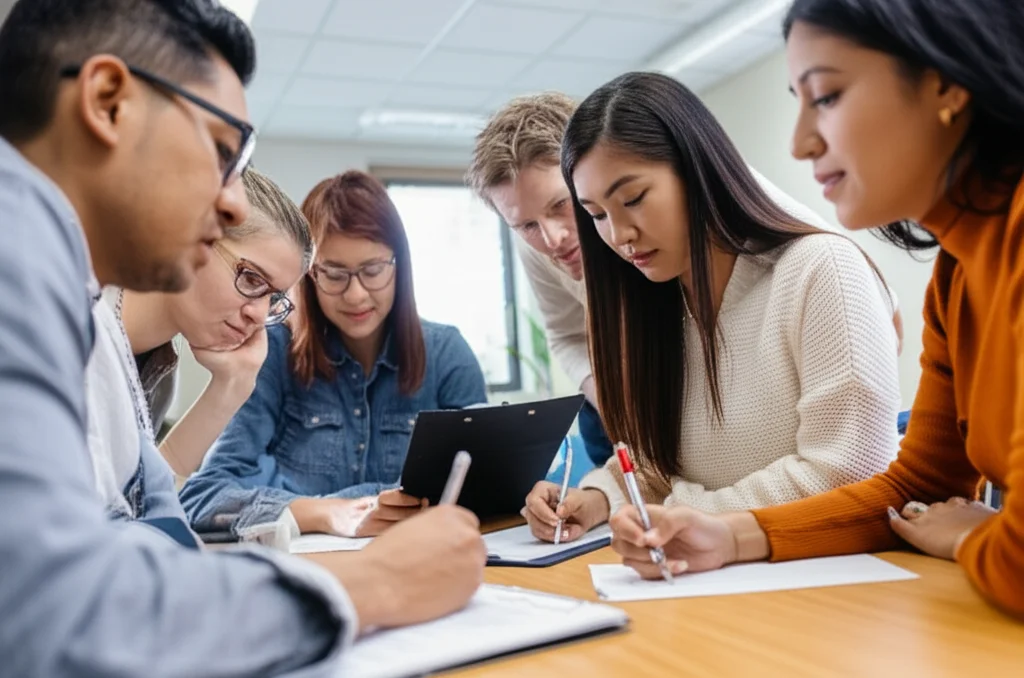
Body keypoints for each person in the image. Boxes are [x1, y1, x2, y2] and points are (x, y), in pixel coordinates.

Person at [0, 1, 485, 676]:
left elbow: (157, 535)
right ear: (108, 102)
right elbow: (52, 614)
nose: (231, 202)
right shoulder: (15, 247)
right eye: (221, 153)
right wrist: (377, 583)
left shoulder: (87, 314)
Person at [607, 0, 1024, 620]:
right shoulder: (958, 276)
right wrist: (730, 536)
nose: (800, 143)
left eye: (825, 96)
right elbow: (920, 489)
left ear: (946, 83)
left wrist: (968, 535)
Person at [467, 92, 904, 471]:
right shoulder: (546, 242)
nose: (553, 239)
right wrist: (615, 406)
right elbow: (565, 334)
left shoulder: (742, 208)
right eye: (525, 225)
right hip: (638, 377)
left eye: (563, 206)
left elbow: (850, 281)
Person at [179, 171, 488, 539]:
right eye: (335, 274)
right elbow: (202, 497)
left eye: (373, 270)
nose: (356, 295)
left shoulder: (447, 354)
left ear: (399, 266)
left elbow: (484, 485)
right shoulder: (274, 351)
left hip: (422, 557)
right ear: (309, 276)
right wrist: (327, 513)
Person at [86, 167, 312, 523]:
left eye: (273, 299)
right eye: (252, 279)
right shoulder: (78, 328)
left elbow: (141, 507)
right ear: (193, 237)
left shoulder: (158, 370)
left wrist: (230, 388)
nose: (258, 315)